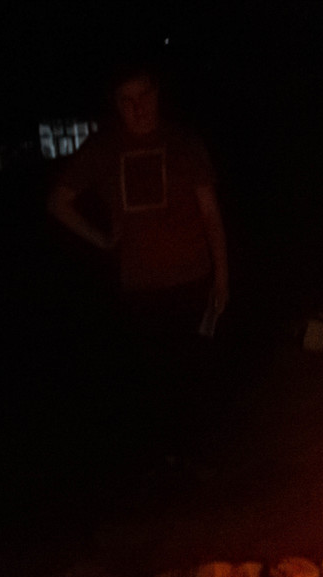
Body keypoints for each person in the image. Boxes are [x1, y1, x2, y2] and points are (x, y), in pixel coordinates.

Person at [47, 62, 229, 475]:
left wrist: (222, 277)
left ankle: (203, 457)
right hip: (141, 287)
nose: (138, 107)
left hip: (193, 279)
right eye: (127, 100)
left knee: (195, 370)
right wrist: (101, 239)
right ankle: (170, 460)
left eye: (144, 96)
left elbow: (210, 213)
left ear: (157, 94)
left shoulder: (183, 142)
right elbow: (58, 201)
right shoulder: (105, 148)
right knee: (155, 377)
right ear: (116, 105)